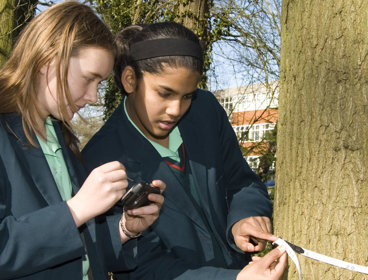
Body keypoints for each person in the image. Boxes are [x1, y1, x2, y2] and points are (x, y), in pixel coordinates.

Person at [82, 22, 286, 279]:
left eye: (187, 96)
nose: (176, 110)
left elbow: (242, 181)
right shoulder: (100, 159)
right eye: (164, 93)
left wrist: (245, 218)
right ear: (130, 79)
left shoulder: (206, 111)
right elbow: (143, 267)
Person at [0, 2, 165, 279]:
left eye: (99, 84)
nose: (93, 97)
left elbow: (76, 250)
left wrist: (125, 229)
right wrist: (76, 209)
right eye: (89, 79)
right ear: (47, 60)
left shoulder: (61, 138)